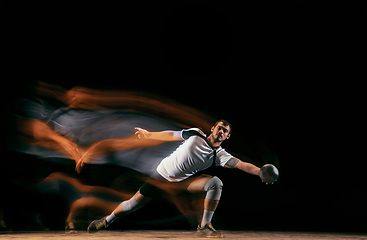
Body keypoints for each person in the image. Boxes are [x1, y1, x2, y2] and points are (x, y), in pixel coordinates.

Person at [87, 120, 276, 238]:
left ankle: (204, 226)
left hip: (181, 184)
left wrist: (260, 172)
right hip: (160, 177)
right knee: (130, 206)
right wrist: (149, 134)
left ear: (227, 136)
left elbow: (242, 164)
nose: (221, 132)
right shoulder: (195, 134)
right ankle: (107, 220)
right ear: (213, 128)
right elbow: (171, 134)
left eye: (225, 131)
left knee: (215, 183)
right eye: (220, 128)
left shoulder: (220, 155)